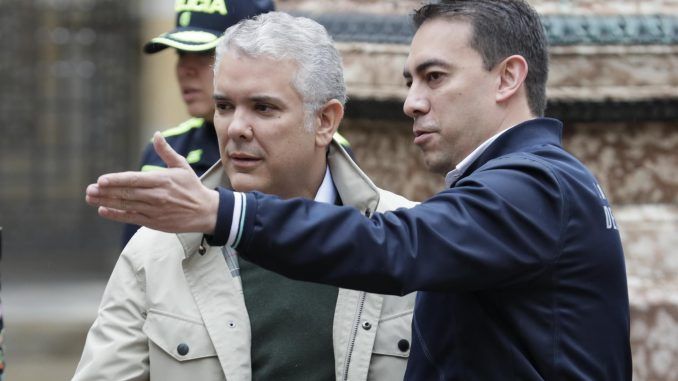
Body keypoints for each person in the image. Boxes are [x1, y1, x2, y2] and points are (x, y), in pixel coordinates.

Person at [86, 1, 632, 379]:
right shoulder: (157, 251)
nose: (412, 102)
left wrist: (224, 214)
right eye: (225, 106)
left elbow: (392, 248)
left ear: (508, 78)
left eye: (434, 77)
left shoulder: (535, 186)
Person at [75, 11, 416, 381]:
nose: (236, 127)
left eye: (263, 108)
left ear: (325, 121)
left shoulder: (409, 239)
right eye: (224, 106)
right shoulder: (157, 250)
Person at [121, 0, 353, 245]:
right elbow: (137, 262)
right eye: (180, 53)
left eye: (205, 54)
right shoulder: (165, 149)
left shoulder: (330, 155)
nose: (185, 69)